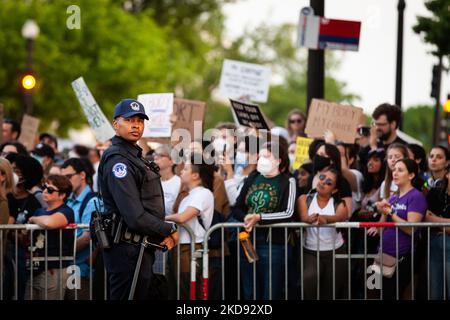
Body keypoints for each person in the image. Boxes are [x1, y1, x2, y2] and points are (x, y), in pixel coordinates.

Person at [98, 98, 179, 300]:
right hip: (127, 251)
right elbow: (134, 215)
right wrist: (168, 229)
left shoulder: (134, 156)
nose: (136, 125)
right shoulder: (118, 160)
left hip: (139, 248)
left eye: (140, 121)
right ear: (116, 124)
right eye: (130, 120)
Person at [232, 141, 297, 300]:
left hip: (272, 243)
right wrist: (246, 217)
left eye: (267, 156)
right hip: (248, 240)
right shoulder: (253, 177)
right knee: (250, 291)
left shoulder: (288, 181)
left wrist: (259, 218)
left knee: (270, 291)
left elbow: (288, 213)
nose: (262, 160)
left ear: (279, 160)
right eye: (260, 156)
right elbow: (237, 207)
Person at [374, 158, 427, 300]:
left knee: (393, 294)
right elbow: (382, 225)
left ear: (411, 175)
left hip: (402, 256)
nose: (395, 173)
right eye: (394, 170)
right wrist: (381, 210)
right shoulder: (393, 198)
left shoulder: (416, 197)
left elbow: (411, 229)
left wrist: (391, 212)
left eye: (400, 170)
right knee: (380, 294)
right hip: (384, 254)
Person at [165, 154, 215, 299]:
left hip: (191, 248)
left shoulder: (204, 193)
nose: (181, 171)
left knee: (189, 291)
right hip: (179, 246)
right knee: (177, 290)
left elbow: (182, 217)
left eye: (186, 169)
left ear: (195, 175)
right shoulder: (187, 196)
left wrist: (160, 218)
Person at [298, 168, 348, 299]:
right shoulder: (304, 199)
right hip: (311, 251)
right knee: (309, 278)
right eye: (322, 178)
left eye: (329, 182)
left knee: (330, 291)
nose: (323, 183)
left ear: (335, 190)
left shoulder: (339, 203)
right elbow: (304, 217)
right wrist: (310, 219)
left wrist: (325, 219)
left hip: (335, 251)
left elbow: (340, 217)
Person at [26, 175, 75, 300]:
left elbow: (49, 223)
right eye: (44, 187)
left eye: (50, 190)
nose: (45, 191)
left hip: (54, 269)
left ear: (62, 195)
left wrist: (33, 219)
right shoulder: (39, 211)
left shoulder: (66, 211)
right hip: (34, 268)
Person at [61, 158, 100, 300]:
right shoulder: (67, 199)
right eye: (62, 178)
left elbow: (86, 238)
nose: (65, 181)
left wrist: (57, 251)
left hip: (81, 270)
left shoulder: (93, 201)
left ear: (82, 175)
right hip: (65, 267)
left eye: (68, 177)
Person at [425, 163, 450, 300]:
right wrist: (445, 225)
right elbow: (425, 216)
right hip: (434, 245)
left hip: (447, 245)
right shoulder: (435, 192)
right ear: (447, 174)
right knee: (435, 292)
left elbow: (430, 218)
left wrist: (435, 220)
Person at [153, 145, 181, 216]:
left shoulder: (179, 183)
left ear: (172, 161)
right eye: (155, 154)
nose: (155, 157)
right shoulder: (151, 181)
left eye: (161, 155)